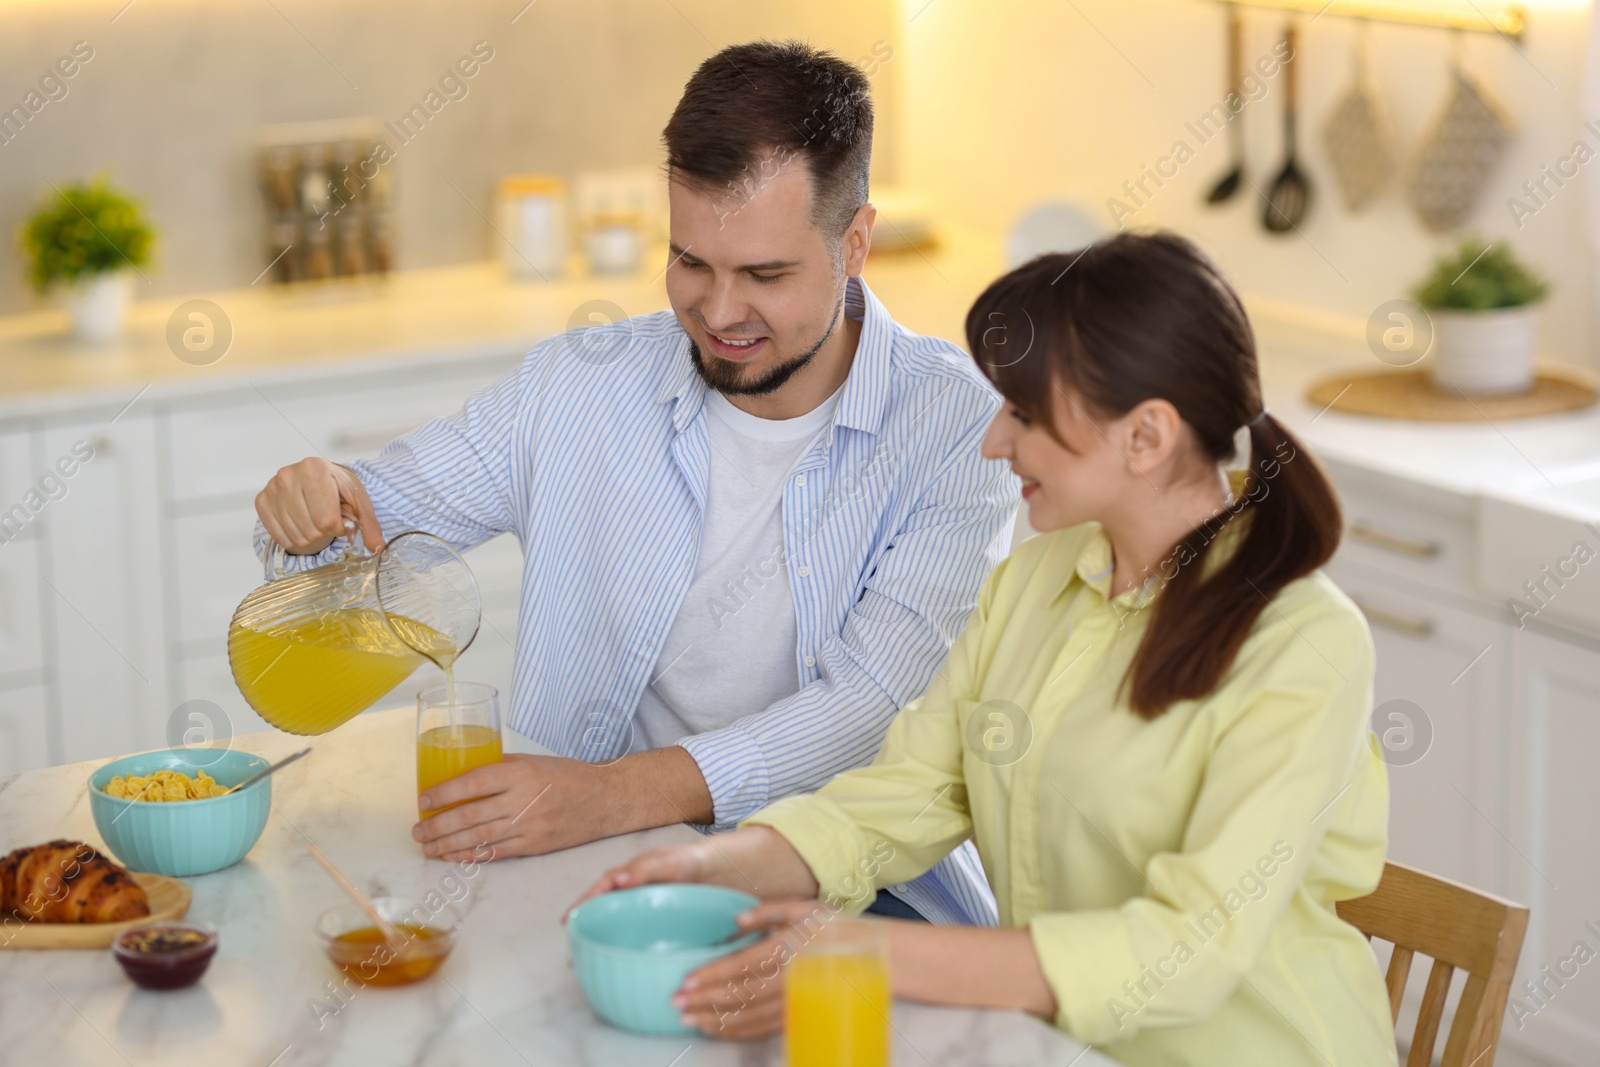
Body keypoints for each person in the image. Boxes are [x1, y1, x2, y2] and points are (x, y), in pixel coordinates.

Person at [572, 231, 1399, 1065]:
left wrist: (869, 952)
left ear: (1147, 436)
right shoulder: (1032, 585)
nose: (993, 441)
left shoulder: (1303, 644)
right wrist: (713, 868)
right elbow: (909, 793)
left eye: (1027, 414)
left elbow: (1187, 947)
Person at [250, 41, 1017, 926]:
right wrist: (312, 504)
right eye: (691, 262)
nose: (721, 313)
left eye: (765, 275)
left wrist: (607, 795)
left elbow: (865, 712)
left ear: (856, 242)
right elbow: (360, 529)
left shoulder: (959, 427)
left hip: (853, 889)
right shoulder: (581, 385)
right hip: (590, 865)